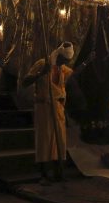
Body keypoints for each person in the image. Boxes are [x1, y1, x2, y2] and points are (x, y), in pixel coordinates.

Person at [23, 42, 74, 185]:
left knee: (60, 141)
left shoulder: (63, 69)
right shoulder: (42, 63)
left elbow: (72, 77)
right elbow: (25, 82)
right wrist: (41, 73)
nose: (63, 64)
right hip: (43, 107)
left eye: (66, 62)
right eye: (62, 61)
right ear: (58, 55)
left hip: (58, 109)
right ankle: (44, 175)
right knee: (44, 141)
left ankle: (59, 173)